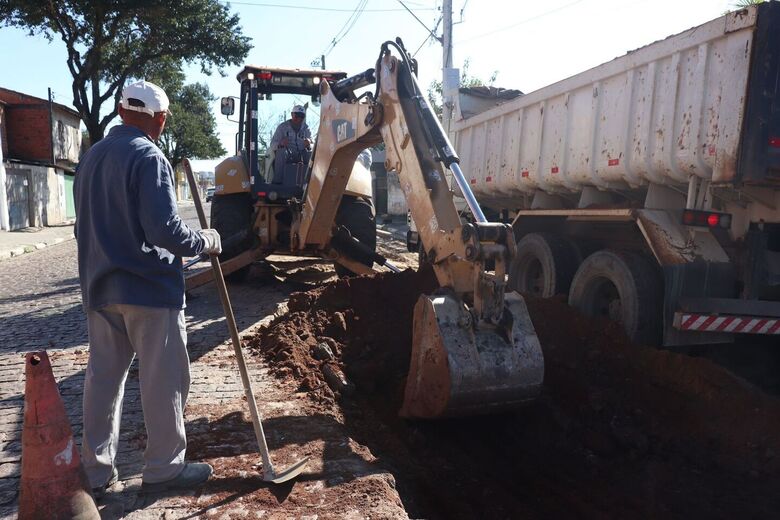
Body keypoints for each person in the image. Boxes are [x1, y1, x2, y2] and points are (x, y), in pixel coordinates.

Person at [73, 80, 221, 496]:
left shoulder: (90, 158)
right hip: (150, 291)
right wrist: (204, 241)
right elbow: (164, 230)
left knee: (103, 381)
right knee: (163, 380)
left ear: (122, 112)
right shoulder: (149, 156)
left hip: (101, 289)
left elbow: (82, 228)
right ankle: (163, 468)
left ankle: (96, 472)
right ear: (160, 118)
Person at [269, 104, 312, 183]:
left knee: (310, 153)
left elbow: (313, 143)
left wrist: (309, 143)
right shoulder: (282, 127)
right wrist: (281, 143)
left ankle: (310, 181)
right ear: (292, 114)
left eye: (302, 116)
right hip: (288, 154)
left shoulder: (306, 128)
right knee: (281, 152)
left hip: (301, 154)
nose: (299, 119)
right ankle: (278, 182)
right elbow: (272, 145)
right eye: (297, 116)